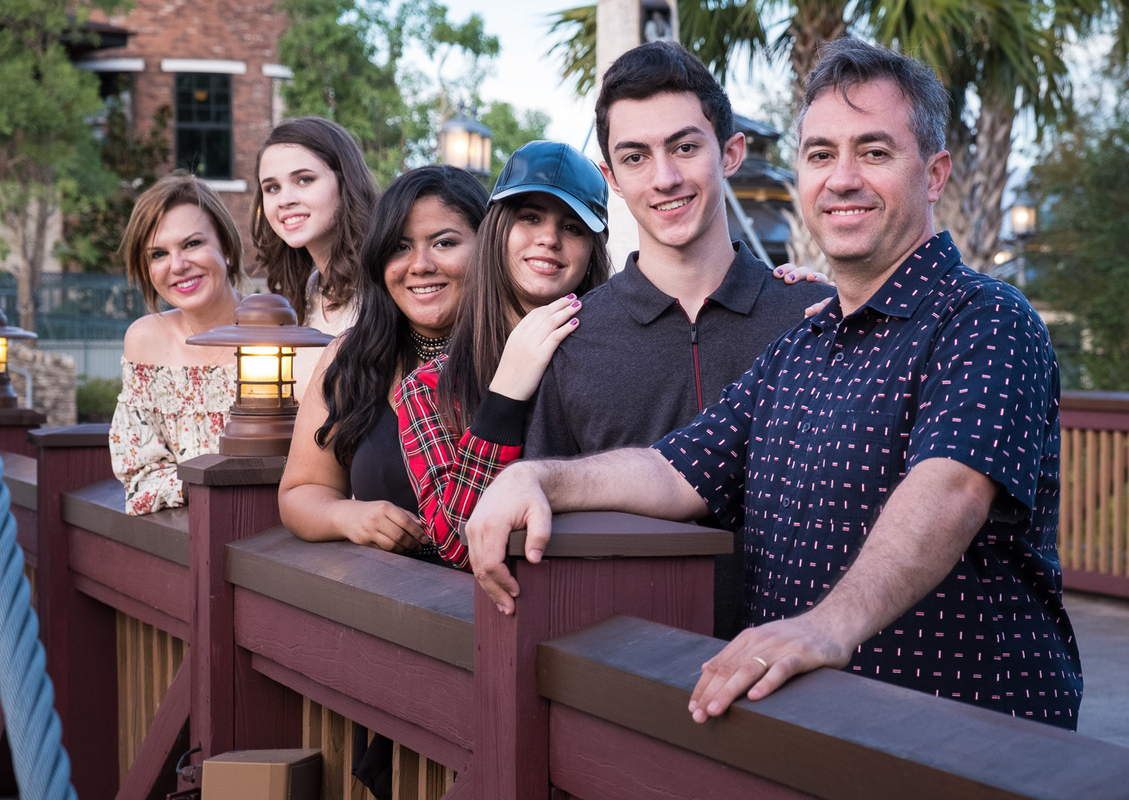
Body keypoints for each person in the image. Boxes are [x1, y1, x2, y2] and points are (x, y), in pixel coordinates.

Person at [466, 37, 1083, 730]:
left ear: (934, 173)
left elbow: (952, 489)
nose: (842, 178)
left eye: (874, 152)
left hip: (960, 736)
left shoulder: (985, 318)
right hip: (804, 732)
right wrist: (540, 481)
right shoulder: (802, 347)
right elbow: (676, 470)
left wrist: (828, 626)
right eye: (821, 155)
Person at [523, 40, 834, 637]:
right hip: (628, 674)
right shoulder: (571, 337)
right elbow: (545, 535)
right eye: (635, 157)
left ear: (731, 151)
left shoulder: (814, 318)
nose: (664, 178)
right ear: (612, 178)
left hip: (805, 682)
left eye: (685, 147)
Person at [396, 141, 611, 569]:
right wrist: (505, 395)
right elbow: (455, 545)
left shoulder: (618, 351)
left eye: (572, 227)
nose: (549, 238)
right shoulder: (428, 387)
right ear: (497, 231)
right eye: (529, 217)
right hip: (496, 614)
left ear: (591, 250)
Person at [278, 165, 489, 554]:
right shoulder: (350, 359)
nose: (420, 264)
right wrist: (349, 516)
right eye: (400, 247)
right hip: (385, 596)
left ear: (488, 246)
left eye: (444, 243)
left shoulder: (520, 352)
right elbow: (301, 492)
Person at [110, 172, 245, 515]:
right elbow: (140, 476)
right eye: (158, 254)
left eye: (192, 244)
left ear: (226, 248)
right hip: (186, 539)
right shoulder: (145, 342)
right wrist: (206, 489)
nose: (178, 265)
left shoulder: (281, 335)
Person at [251, 116, 378, 387]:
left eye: (304, 180)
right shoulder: (305, 291)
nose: (285, 200)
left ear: (346, 182)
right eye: (272, 188)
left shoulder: (381, 282)